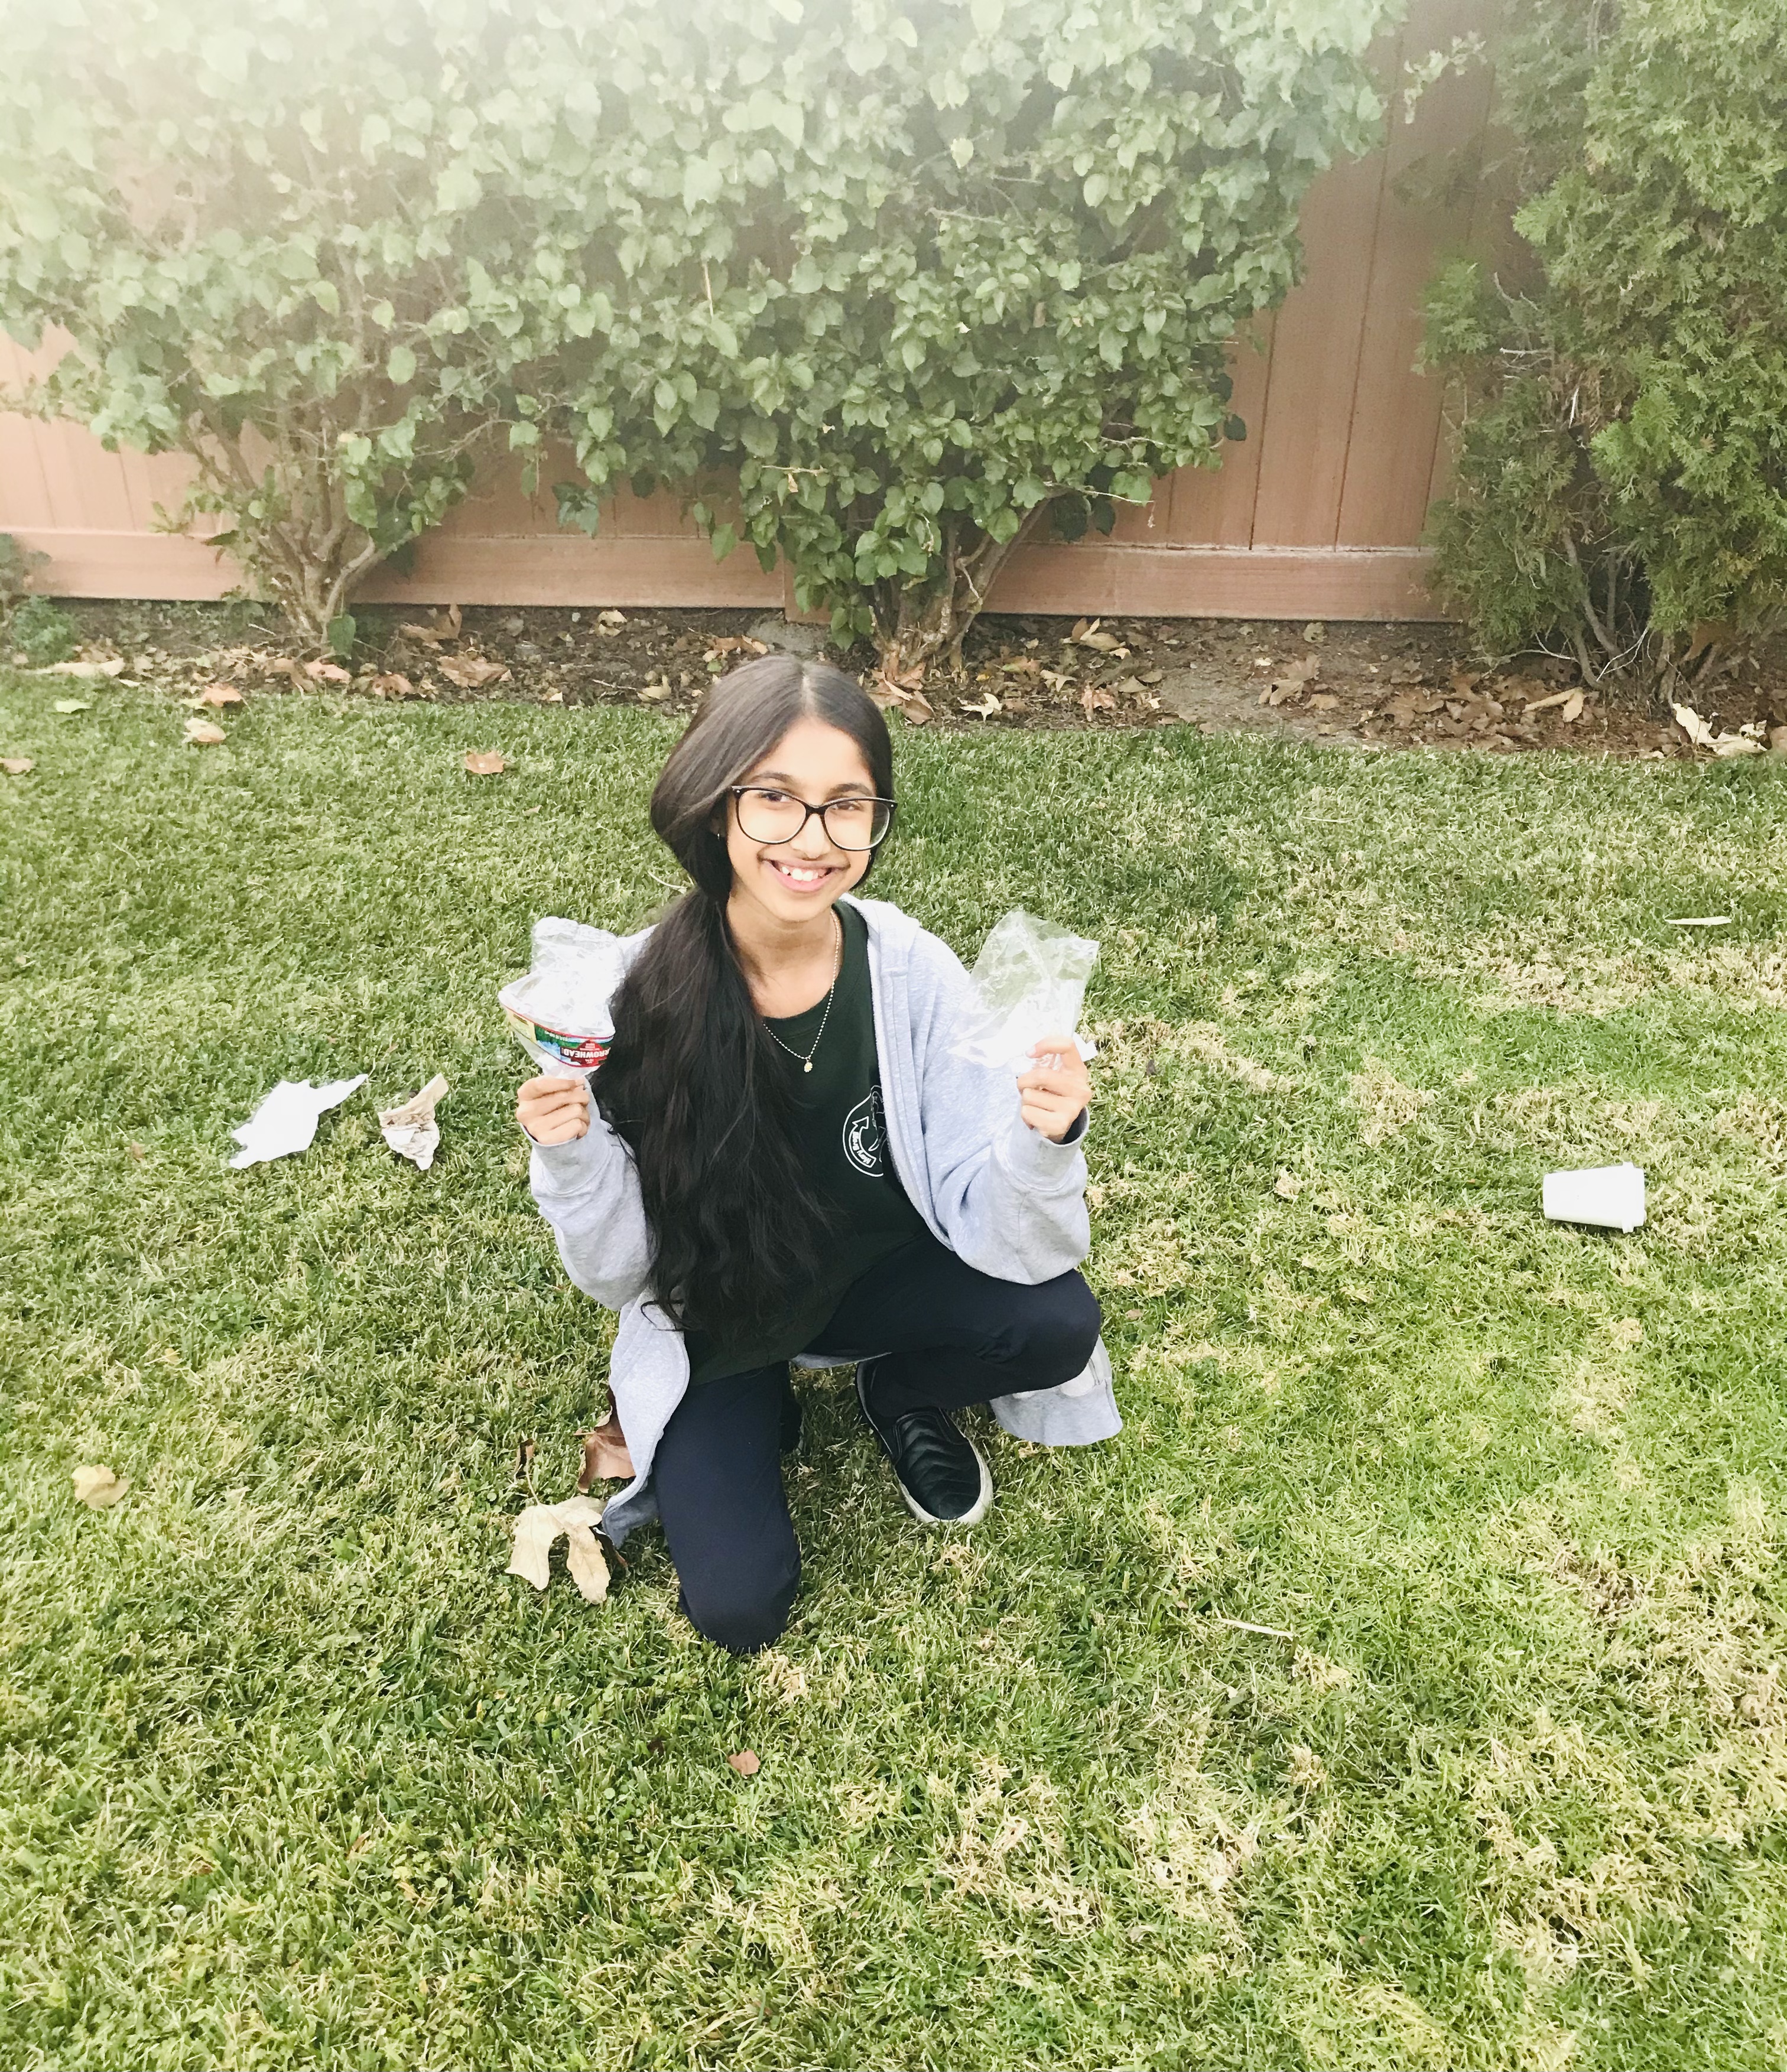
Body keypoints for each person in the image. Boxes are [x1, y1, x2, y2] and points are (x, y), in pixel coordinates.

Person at [516, 656, 1119, 1653]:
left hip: (874, 1282)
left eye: (848, 806)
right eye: (774, 798)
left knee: (1056, 1322)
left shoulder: (907, 967)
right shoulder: (626, 998)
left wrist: (1044, 1140)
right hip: (723, 1315)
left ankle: (900, 1391)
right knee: (739, 1611)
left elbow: (1014, 1226)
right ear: (716, 806)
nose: (812, 839)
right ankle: (761, 1405)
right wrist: (572, 1158)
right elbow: (619, 1275)